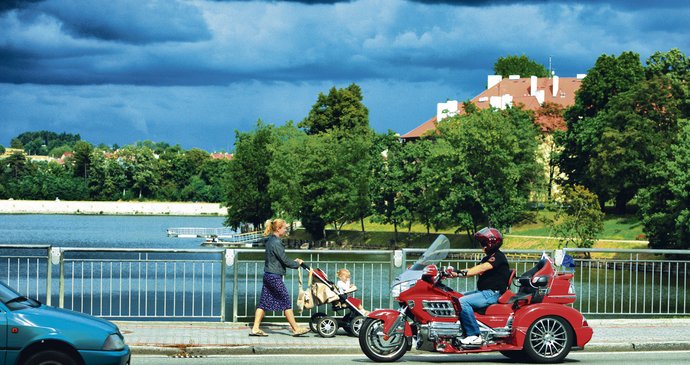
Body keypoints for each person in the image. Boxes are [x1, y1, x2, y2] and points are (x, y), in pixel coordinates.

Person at [450, 227, 511, 346]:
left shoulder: (497, 257)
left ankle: (474, 335)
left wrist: (459, 273)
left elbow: (481, 268)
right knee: (456, 297)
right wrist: (453, 273)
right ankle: (460, 330)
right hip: (486, 292)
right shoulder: (487, 258)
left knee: (462, 302)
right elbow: (473, 270)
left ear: (490, 243)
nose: (481, 246)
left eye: (483, 243)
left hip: (493, 293)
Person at [250, 219, 310, 337]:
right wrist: (297, 264)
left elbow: (279, 259)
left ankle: (255, 328)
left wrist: (293, 262)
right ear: (278, 229)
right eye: (285, 228)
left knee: (263, 303)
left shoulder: (270, 240)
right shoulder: (276, 243)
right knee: (286, 302)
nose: (286, 229)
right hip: (274, 276)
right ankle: (296, 328)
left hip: (268, 274)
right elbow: (284, 259)